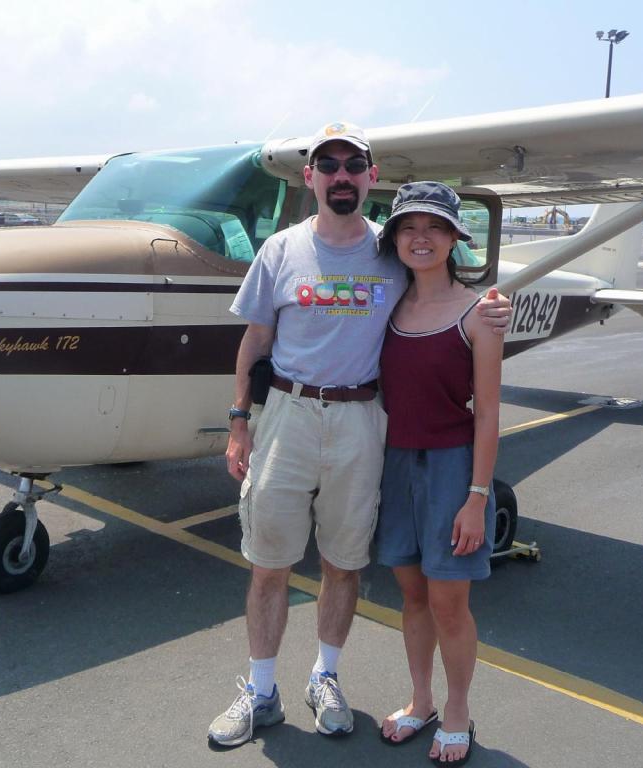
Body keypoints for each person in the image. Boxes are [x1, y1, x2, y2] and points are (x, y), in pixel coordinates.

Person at [208, 122, 509, 748]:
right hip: (288, 414)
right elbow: (255, 338)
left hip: (362, 420)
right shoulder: (282, 250)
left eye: (354, 166)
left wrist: (495, 305)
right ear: (311, 177)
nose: (341, 176)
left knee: (344, 562)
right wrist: (239, 421)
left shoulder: (392, 247)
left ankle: (327, 677)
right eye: (328, 165)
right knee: (270, 562)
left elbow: (450, 293)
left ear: (370, 178)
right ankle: (261, 691)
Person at [375, 182, 503, 766]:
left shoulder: (480, 314)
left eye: (434, 227)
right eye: (407, 227)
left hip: (452, 465)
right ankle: (421, 700)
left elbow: (489, 414)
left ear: (455, 238)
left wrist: (477, 497)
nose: (420, 238)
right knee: (412, 594)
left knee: (450, 601)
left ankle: (457, 710)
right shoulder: (386, 306)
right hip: (394, 461)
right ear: (395, 239)